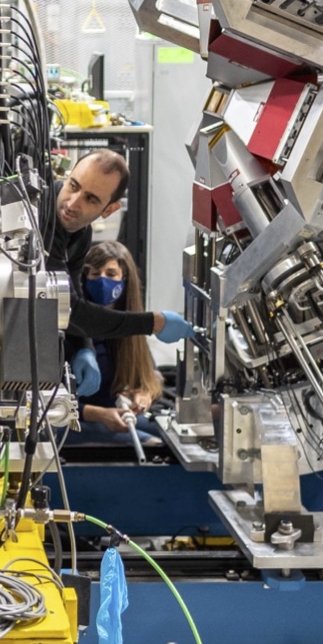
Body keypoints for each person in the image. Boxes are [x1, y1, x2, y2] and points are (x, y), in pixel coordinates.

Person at [44, 149, 192, 398]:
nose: (72, 203)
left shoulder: (80, 234)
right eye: (73, 186)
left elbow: (72, 295)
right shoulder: (44, 220)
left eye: (90, 199)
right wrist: (153, 323)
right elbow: (71, 311)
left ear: (109, 209)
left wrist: (84, 346)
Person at [68, 242, 168, 445]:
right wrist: (100, 415)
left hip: (117, 413)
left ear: (125, 280)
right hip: (78, 420)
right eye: (95, 274)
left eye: (111, 274)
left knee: (169, 434)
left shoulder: (130, 329)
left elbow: (153, 376)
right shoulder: (72, 328)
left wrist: (145, 395)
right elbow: (49, 404)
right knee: (148, 443)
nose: (102, 280)